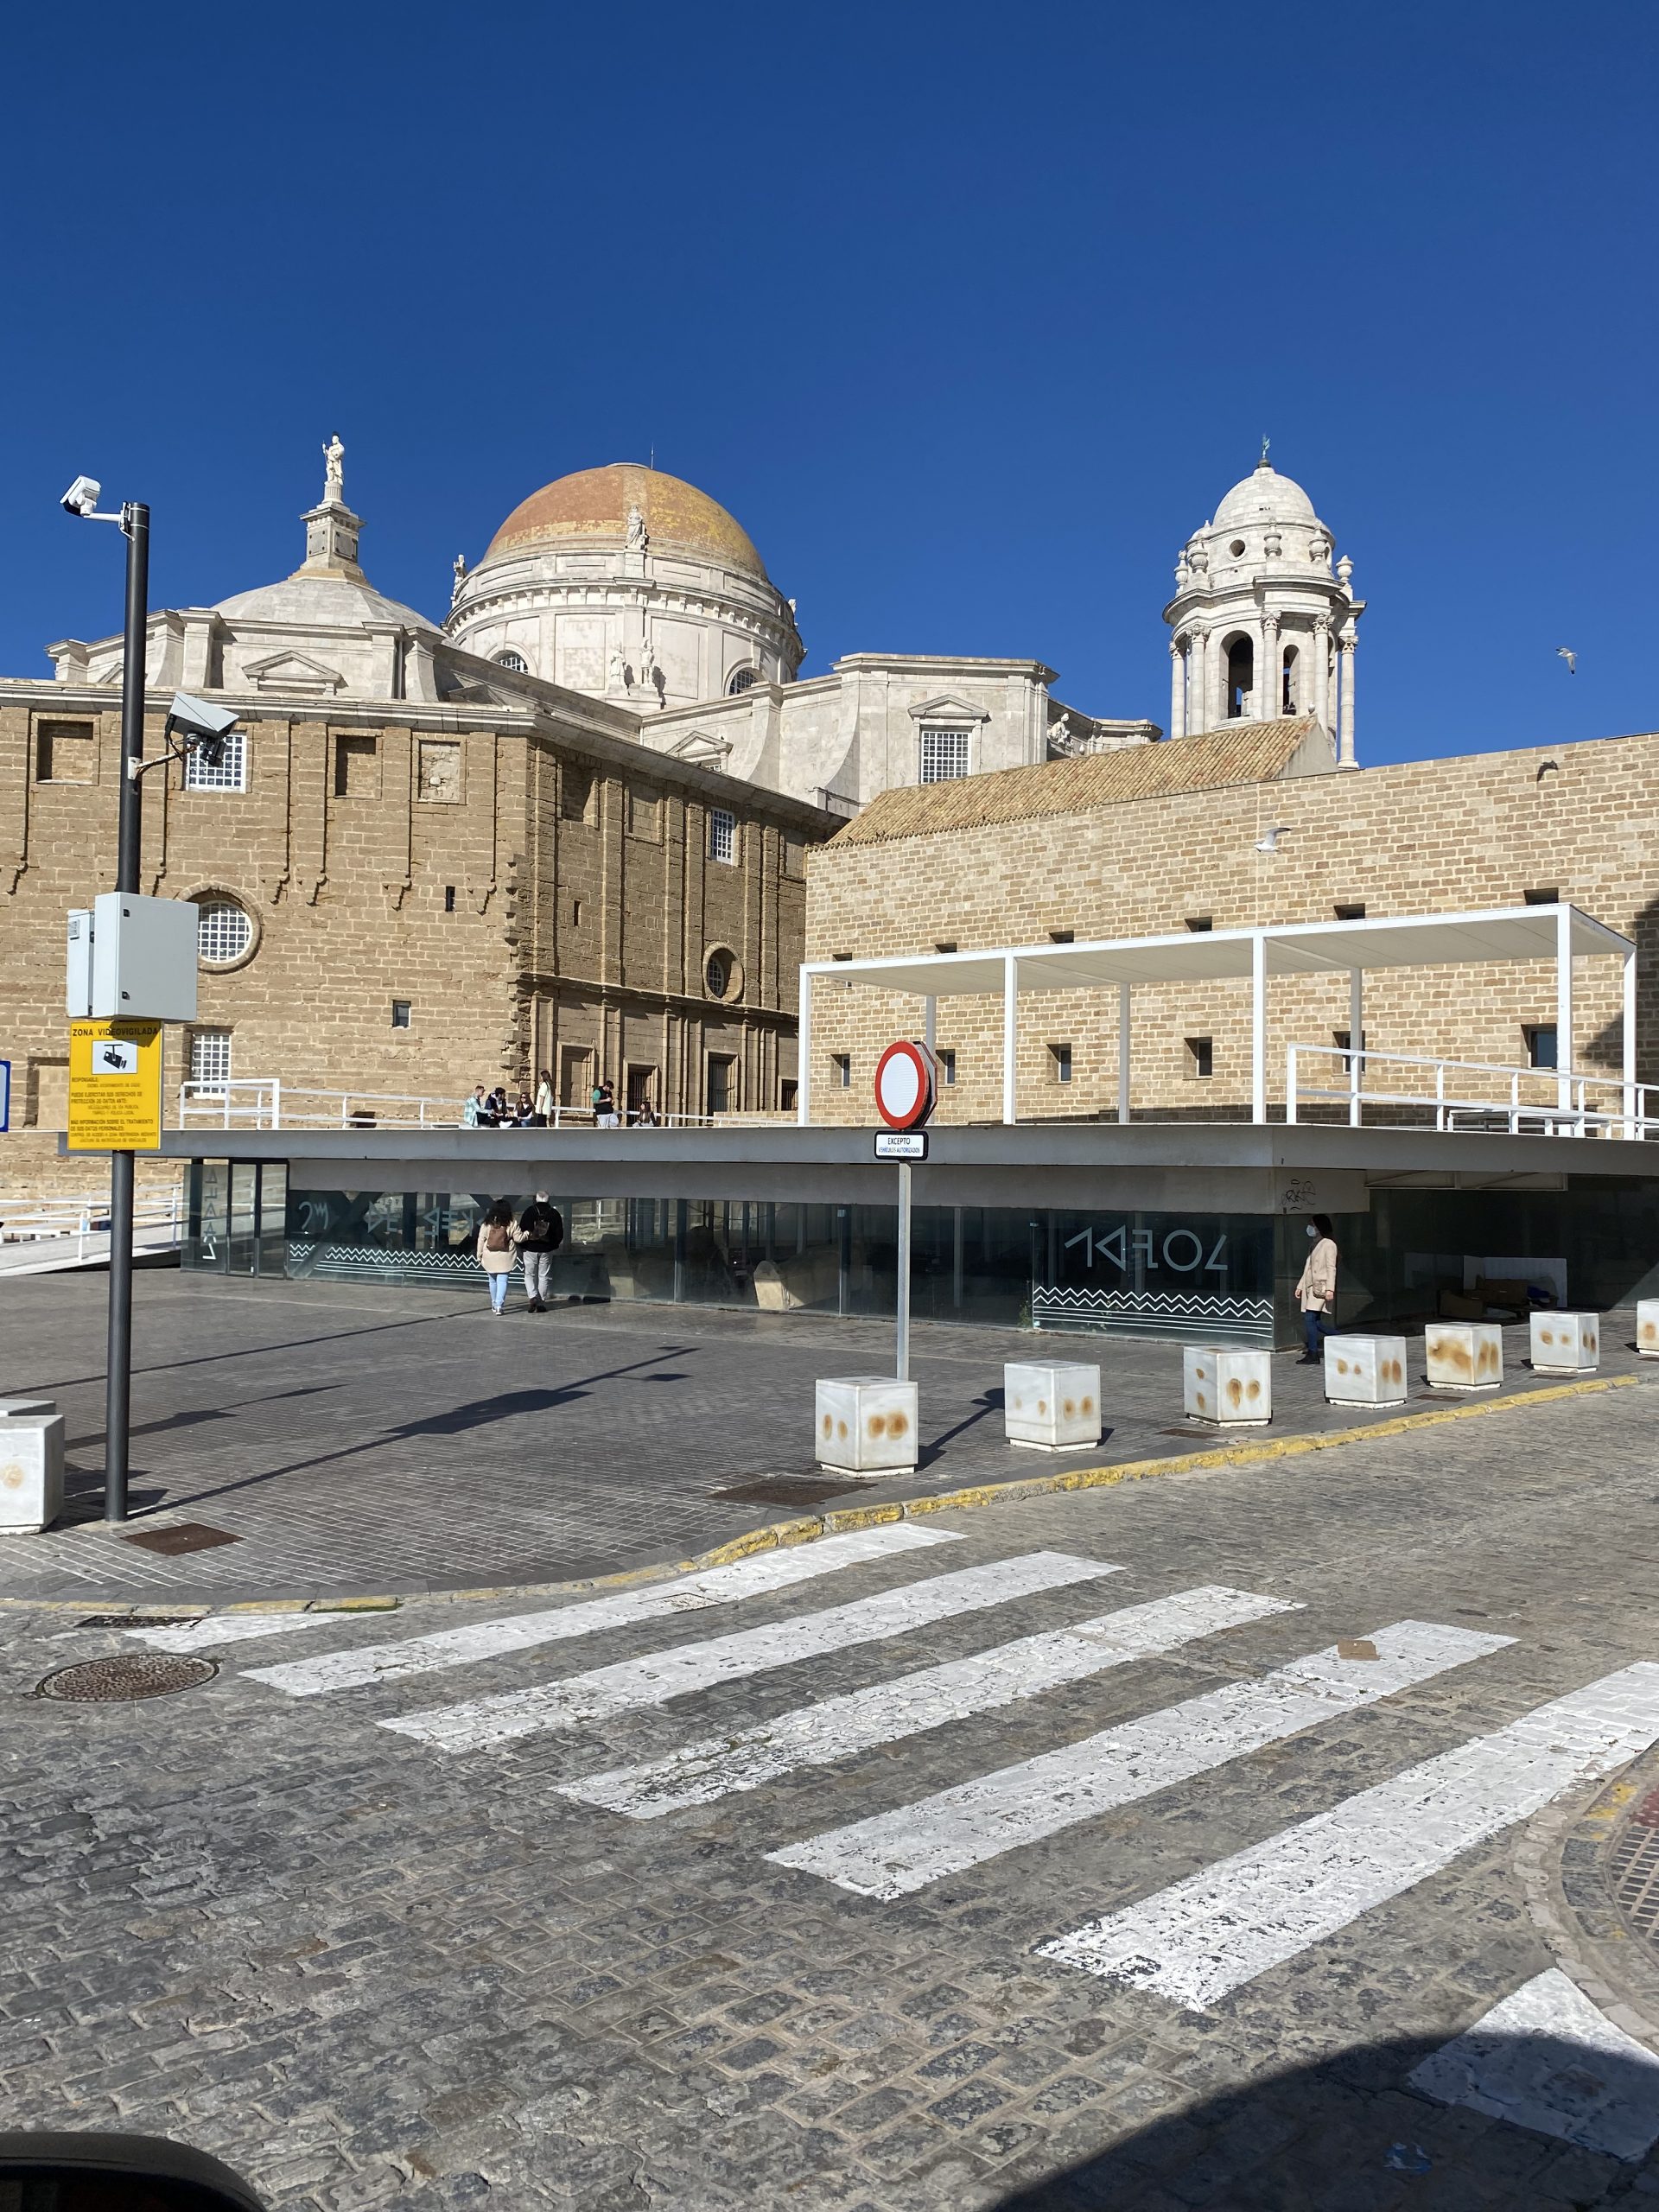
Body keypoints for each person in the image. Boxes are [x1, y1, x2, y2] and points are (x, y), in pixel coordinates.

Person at [1295, 1213, 1338, 1363]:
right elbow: (1308, 1268)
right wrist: (1300, 1286)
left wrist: (1330, 1289)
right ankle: (1344, 1338)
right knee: (1316, 1322)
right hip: (1310, 1287)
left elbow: (1331, 1267)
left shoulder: (1329, 1244)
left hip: (1320, 1287)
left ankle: (1313, 1353)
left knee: (1310, 1318)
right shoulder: (1314, 1244)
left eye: (1313, 1225)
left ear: (1320, 1226)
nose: (1310, 1228)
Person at [515, 1191, 564, 1312]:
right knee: (544, 1275)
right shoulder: (554, 1213)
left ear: (536, 1199)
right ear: (548, 1199)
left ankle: (532, 1297)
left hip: (530, 1248)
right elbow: (559, 1234)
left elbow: (522, 1230)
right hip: (546, 1249)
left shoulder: (529, 1211)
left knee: (529, 1274)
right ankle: (541, 1302)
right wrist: (553, 1245)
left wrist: (523, 1246)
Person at [476, 1200, 518, 1315]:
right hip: (506, 1255)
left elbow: (481, 1239)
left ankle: (494, 1304)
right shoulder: (511, 1222)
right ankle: (499, 1306)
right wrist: (527, 1234)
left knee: (492, 1281)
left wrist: (479, 1255)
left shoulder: (487, 1223)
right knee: (502, 1280)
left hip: (489, 1256)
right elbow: (518, 1238)